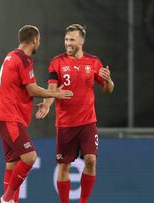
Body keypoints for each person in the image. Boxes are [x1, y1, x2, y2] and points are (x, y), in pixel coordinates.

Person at [0, 25, 74, 203]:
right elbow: (32, 89)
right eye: (39, 40)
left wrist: (44, 103)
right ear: (34, 40)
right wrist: (55, 94)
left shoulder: (11, 56)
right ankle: (6, 199)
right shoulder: (23, 59)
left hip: (5, 116)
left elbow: (19, 88)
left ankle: (10, 201)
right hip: (10, 117)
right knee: (30, 157)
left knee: (12, 164)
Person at [36, 24, 114, 203]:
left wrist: (109, 80)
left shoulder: (93, 62)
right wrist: (47, 105)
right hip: (65, 124)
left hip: (87, 122)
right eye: (66, 39)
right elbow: (52, 88)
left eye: (72, 39)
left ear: (81, 40)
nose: (68, 43)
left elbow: (108, 89)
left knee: (91, 161)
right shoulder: (57, 62)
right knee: (64, 167)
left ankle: (83, 201)